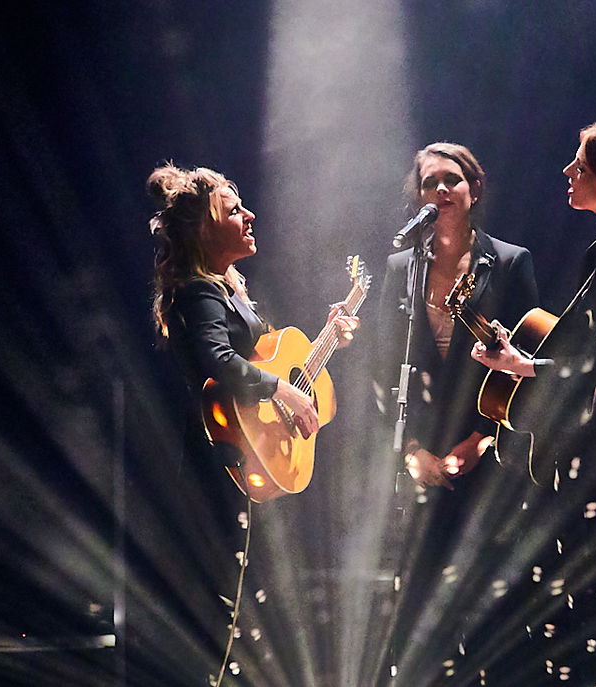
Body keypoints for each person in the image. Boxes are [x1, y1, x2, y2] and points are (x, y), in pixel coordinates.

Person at [470, 121, 596, 684]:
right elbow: (578, 344)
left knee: (587, 585)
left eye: (581, 166)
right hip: (579, 439)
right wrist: (521, 357)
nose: (567, 172)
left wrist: (525, 367)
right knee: (564, 580)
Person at [147, 163, 356, 682]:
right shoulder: (199, 293)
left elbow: (268, 359)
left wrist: (326, 339)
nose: (249, 215)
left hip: (248, 455)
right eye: (233, 210)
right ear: (204, 229)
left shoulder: (226, 290)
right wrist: (282, 388)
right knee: (221, 608)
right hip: (217, 462)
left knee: (245, 609)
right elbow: (221, 361)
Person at [367, 142, 541, 681]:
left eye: (452, 180)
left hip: (490, 448)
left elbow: (530, 362)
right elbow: (380, 366)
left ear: (473, 189)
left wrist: (482, 439)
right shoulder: (401, 267)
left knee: (486, 592)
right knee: (413, 594)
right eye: (429, 183)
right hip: (419, 451)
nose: (441, 190)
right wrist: (413, 451)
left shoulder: (510, 262)